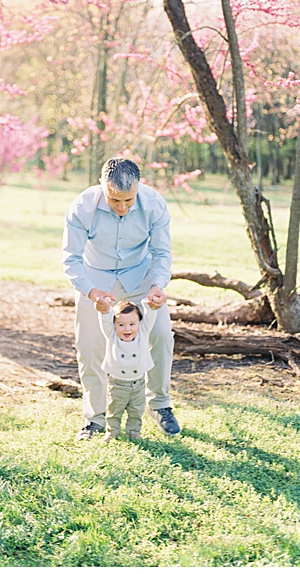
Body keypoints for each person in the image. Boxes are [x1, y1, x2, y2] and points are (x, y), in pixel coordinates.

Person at [63, 157, 181, 441]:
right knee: (90, 346)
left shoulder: (154, 204)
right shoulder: (82, 207)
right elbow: (71, 258)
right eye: (115, 199)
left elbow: (162, 253)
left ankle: (160, 403)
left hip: (141, 277)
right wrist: (91, 291)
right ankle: (95, 419)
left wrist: (157, 285)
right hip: (95, 278)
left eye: (128, 200)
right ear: (102, 185)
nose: (122, 207)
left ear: (139, 187)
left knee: (162, 335)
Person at [96, 297, 162, 441]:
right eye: (121, 324)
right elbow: (105, 322)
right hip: (117, 385)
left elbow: (149, 318)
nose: (127, 329)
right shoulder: (112, 336)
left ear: (139, 323)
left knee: (136, 411)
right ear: (114, 325)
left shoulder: (142, 334)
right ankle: (112, 431)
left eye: (132, 324)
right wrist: (105, 311)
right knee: (114, 410)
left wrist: (149, 306)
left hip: (138, 384)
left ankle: (134, 432)